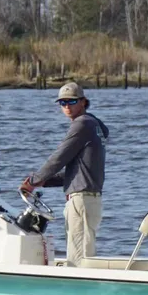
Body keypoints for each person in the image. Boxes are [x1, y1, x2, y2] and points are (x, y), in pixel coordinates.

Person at [20, 82, 109, 267]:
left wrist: (34, 180)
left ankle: (80, 293)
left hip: (81, 201)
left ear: (83, 102)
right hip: (88, 200)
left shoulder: (82, 125)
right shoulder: (93, 126)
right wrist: (44, 183)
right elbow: (75, 171)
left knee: (78, 260)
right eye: (62, 103)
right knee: (85, 254)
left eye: (72, 101)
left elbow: (58, 158)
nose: (67, 106)